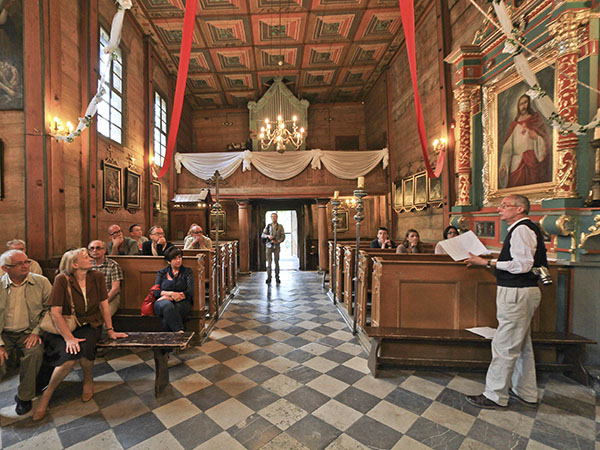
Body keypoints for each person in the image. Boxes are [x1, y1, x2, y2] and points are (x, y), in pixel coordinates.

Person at [465, 194, 547, 410]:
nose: (499, 209)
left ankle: (494, 395)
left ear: (520, 209)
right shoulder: (522, 229)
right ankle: (526, 391)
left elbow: (522, 265)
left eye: (504, 206)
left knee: (504, 345)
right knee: (521, 345)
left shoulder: (522, 229)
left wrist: (487, 262)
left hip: (517, 293)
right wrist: (490, 260)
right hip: (520, 292)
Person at [33, 248, 127, 420]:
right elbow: (55, 313)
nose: (90, 257)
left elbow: (104, 305)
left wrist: (111, 330)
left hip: (89, 323)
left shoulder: (96, 277)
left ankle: (88, 379)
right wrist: (68, 338)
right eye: (86, 256)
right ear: (75, 264)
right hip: (63, 326)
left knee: (85, 348)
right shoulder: (62, 280)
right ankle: (47, 394)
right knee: (68, 358)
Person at [0, 249, 51, 415]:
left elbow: (49, 309)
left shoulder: (41, 282)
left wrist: (37, 331)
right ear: (5, 269)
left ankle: (24, 397)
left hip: (29, 332)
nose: (25, 266)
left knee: (34, 353)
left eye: (26, 262)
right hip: (3, 334)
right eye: (19, 264)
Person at [499, 94, 551, 189]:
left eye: (525, 103)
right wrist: (503, 166)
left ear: (529, 103)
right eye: (521, 104)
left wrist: (537, 137)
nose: (523, 106)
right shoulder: (514, 125)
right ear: (518, 107)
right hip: (516, 162)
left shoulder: (535, 120)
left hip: (531, 159)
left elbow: (545, 140)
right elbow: (507, 149)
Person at [153, 246, 193, 332]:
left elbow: (190, 291)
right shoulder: (162, 272)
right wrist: (171, 294)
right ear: (168, 261)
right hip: (162, 302)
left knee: (168, 316)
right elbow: (155, 291)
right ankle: (180, 332)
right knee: (167, 305)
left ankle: (168, 339)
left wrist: (173, 297)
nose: (178, 260)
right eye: (174, 259)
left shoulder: (187, 271)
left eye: (179, 257)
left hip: (182, 302)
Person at [88, 240, 123, 316]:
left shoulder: (113, 265)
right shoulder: (87, 265)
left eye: (98, 248)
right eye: (92, 248)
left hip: (110, 297)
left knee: (104, 316)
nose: (95, 251)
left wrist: (104, 302)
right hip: (91, 298)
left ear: (104, 250)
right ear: (89, 252)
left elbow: (115, 288)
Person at [261, 213, 285, 284]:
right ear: (271, 218)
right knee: (269, 263)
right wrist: (268, 236)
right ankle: (269, 278)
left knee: (276, 262)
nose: (274, 218)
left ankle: (277, 277)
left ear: (277, 217)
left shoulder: (280, 226)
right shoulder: (268, 226)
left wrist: (278, 241)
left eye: (275, 217)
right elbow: (263, 234)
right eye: (272, 217)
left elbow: (283, 236)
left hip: (276, 246)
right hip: (269, 246)